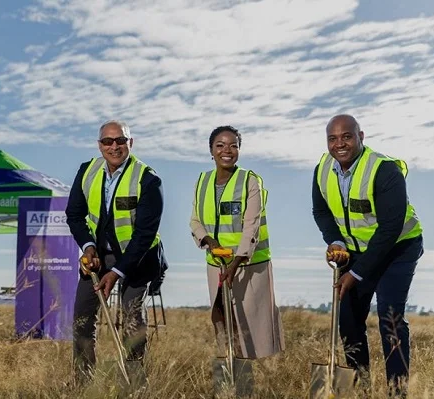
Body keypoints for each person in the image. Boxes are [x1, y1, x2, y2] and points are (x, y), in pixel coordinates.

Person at [311, 114, 423, 397]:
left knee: (390, 318)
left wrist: (356, 273)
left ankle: (398, 392)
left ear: (361, 136)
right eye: (332, 139)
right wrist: (335, 241)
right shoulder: (323, 169)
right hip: (355, 251)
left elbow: (389, 228)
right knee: (348, 322)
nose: (340, 144)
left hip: (398, 248)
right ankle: (359, 390)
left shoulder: (384, 171)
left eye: (347, 136)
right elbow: (321, 211)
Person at [65, 119, 168, 384]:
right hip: (97, 257)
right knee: (82, 318)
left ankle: (134, 382)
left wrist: (118, 272)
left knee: (132, 317)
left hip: (138, 258)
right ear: (99, 145)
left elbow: (144, 234)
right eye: (107, 141)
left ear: (130, 143)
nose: (114, 146)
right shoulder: (87, 171)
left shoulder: (148, 179)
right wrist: (88, 247)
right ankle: (84, 382)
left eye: (120, 140)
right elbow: (75, 215)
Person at [189, 125, 285, 361]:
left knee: (253, 330)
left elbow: (251, 225)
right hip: (217, 266)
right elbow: (195, 221)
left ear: (239, 150)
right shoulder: (202, 181)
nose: (227, 150)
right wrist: (208, 241)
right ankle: (233, 376)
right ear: (211, 150)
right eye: (220, 145)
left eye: (233, 145)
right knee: (224, 323)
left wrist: (236, 262)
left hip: (249, 266)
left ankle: (260, 376)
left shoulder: (250, 181)